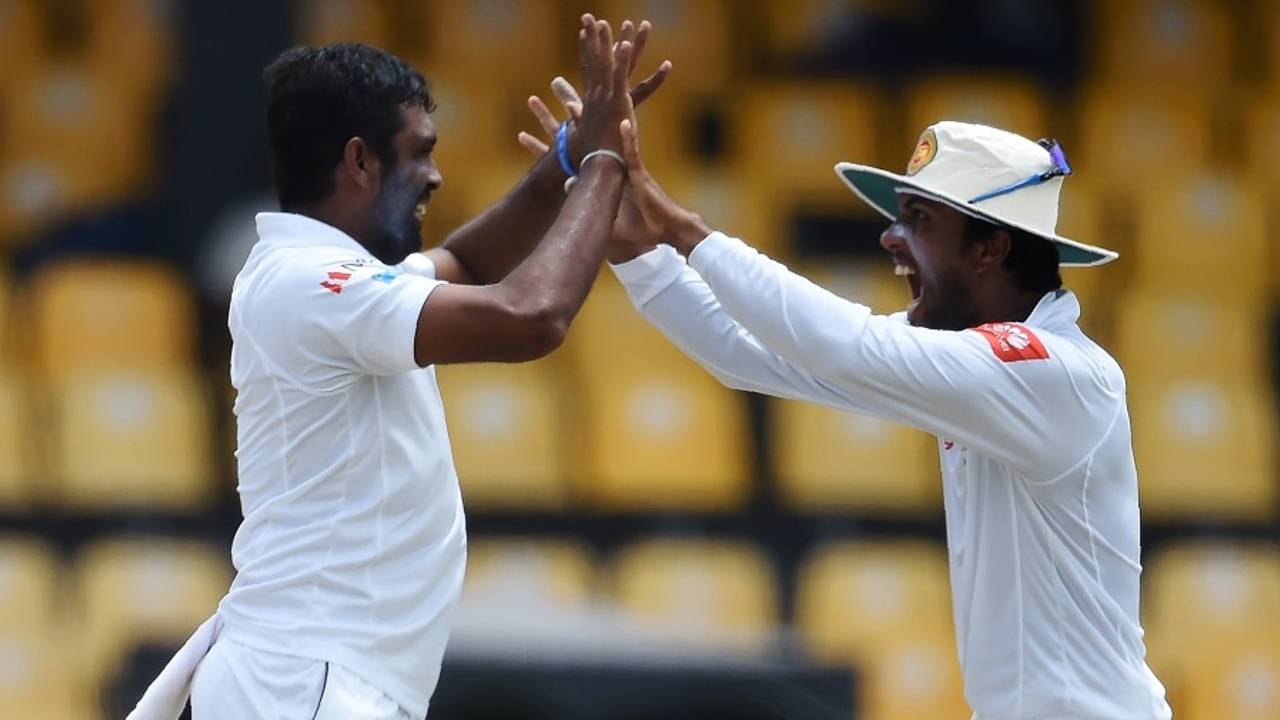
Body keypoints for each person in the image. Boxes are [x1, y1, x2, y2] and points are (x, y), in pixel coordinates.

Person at [522, 92, 1173, 718]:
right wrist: (636, 250)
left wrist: (680, 227)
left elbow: (842, 346)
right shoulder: (975, 364)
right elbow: (743, 354)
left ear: (990, 248)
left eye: (919, 221)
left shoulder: (1053, 374)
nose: (891, 239)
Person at [128, 15, 670, 720]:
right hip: (306, 677)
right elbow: (533, 315)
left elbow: (469, 263)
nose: (436, 175)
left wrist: (568, 156)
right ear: (359, 161)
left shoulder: (327, 279)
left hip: (318, 675)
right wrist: (604, 165)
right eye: (419, 153)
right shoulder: (313, 284)